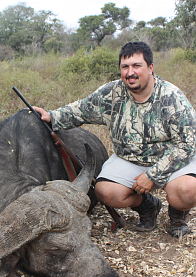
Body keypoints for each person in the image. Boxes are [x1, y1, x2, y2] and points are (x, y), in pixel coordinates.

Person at [34, 41, 196, 238]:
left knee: (188, 190)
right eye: (125, 67)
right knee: (105, 192)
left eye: (137, 66)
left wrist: (153, 176)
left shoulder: (172, 97)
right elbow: (81, 109)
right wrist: (51, 116)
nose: (130, 73)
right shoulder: (112, 92)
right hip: (129, 158)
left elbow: (187, 145)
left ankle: (178, 212)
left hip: (170, 160)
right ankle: (148, 206)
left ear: (150, 67)